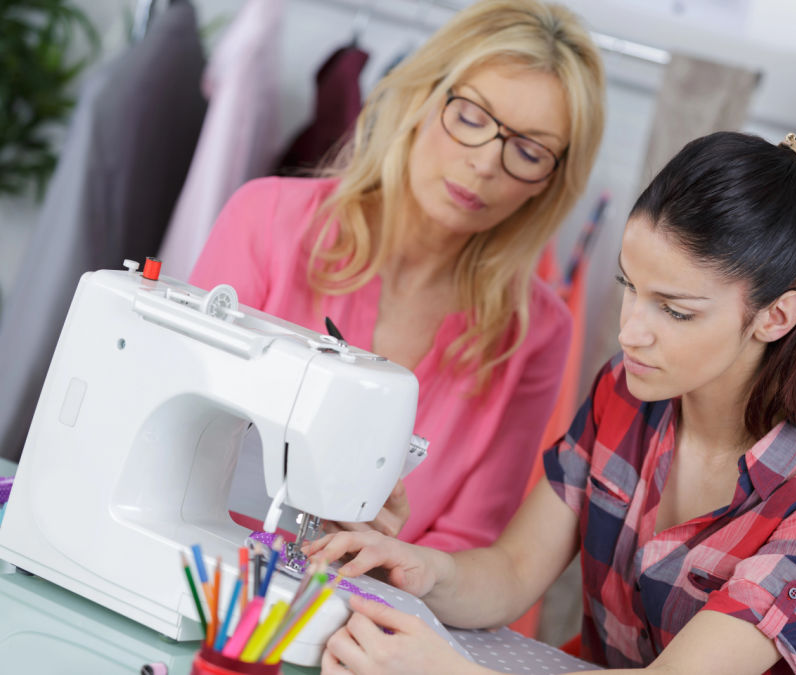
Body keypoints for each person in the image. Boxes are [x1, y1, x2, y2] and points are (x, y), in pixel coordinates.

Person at [306, 124, 796, 675]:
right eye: (629, 288)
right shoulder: (627, 390)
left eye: (675, 310)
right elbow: (513, 571)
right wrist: (422, 569)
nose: (630, 331)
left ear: (775, 317)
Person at [189, 0, 605, 551]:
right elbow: (185, 431)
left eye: (528, 151)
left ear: (549, 183)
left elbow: (463, 549)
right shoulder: (267, 221)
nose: (484, 162)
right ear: (421, 97)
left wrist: (390, 557)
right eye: (471, 117)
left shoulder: (535, 334)